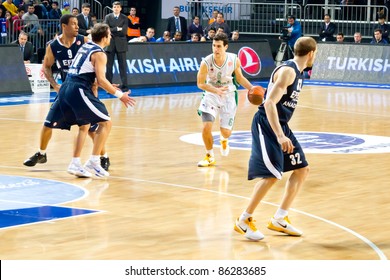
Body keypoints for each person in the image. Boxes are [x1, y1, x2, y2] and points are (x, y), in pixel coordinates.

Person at [234, 37, 317, 241]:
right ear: (311, 53)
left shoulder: (297, 72)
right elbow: (269, 102)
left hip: (281, 124)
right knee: (271, 175)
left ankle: (280, 218)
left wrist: (282, 131)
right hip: (267, 125)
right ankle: (244, 220)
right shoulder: (288, 71)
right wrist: (280, 136)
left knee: (301, 169)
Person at [23, 14, 107, 176]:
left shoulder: (83, 41)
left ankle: (102, 157)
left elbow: (95, 64)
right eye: (74, 24)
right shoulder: (53, 45)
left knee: (89, 127)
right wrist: (55, 85)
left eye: (77, 24)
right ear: (64, 26)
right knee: (48, 124)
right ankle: (41, 153)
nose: (77, 26)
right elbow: (46, 66)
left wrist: (95, 87)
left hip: (84, 89)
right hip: (67, 89)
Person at [58, 23, 135, 178]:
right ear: (105, 37)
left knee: (84, 125)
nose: (111, 37)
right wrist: (120, 95)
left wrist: (106, 84)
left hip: (67, 87)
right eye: (109, 34)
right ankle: (94, 161)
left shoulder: (86, 46)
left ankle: (75, 163)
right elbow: (101, 80)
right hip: (79, 89)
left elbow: (87, 72)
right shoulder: (100, 54)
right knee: (106, 122)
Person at [196, 33, 254, 167]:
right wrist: (215, 90)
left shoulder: (234, 59)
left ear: (225, 47)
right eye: (214, 46)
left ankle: (224, 139)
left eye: (219, 46)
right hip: (211, 95)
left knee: (226, 132)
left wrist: (252, 88)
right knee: (206, 127)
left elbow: (239, 78)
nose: (215, 49)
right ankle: (209, 155)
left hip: (228, 95)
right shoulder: (206, 62)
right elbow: (200, 84)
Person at [104, 1, 128, 91]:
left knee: (122, 66)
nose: (116, 8)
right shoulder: (108, 17)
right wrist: (117, 29)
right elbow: (106, 29)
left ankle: (125, 86)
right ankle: (109, 86)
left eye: (118, 7)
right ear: (112, 8)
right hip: (109, 44)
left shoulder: (125, 18)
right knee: (108, 66)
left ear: (121, 8)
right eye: (114, 7)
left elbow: (124, 32)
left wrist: (112, 30)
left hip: (121, 44)